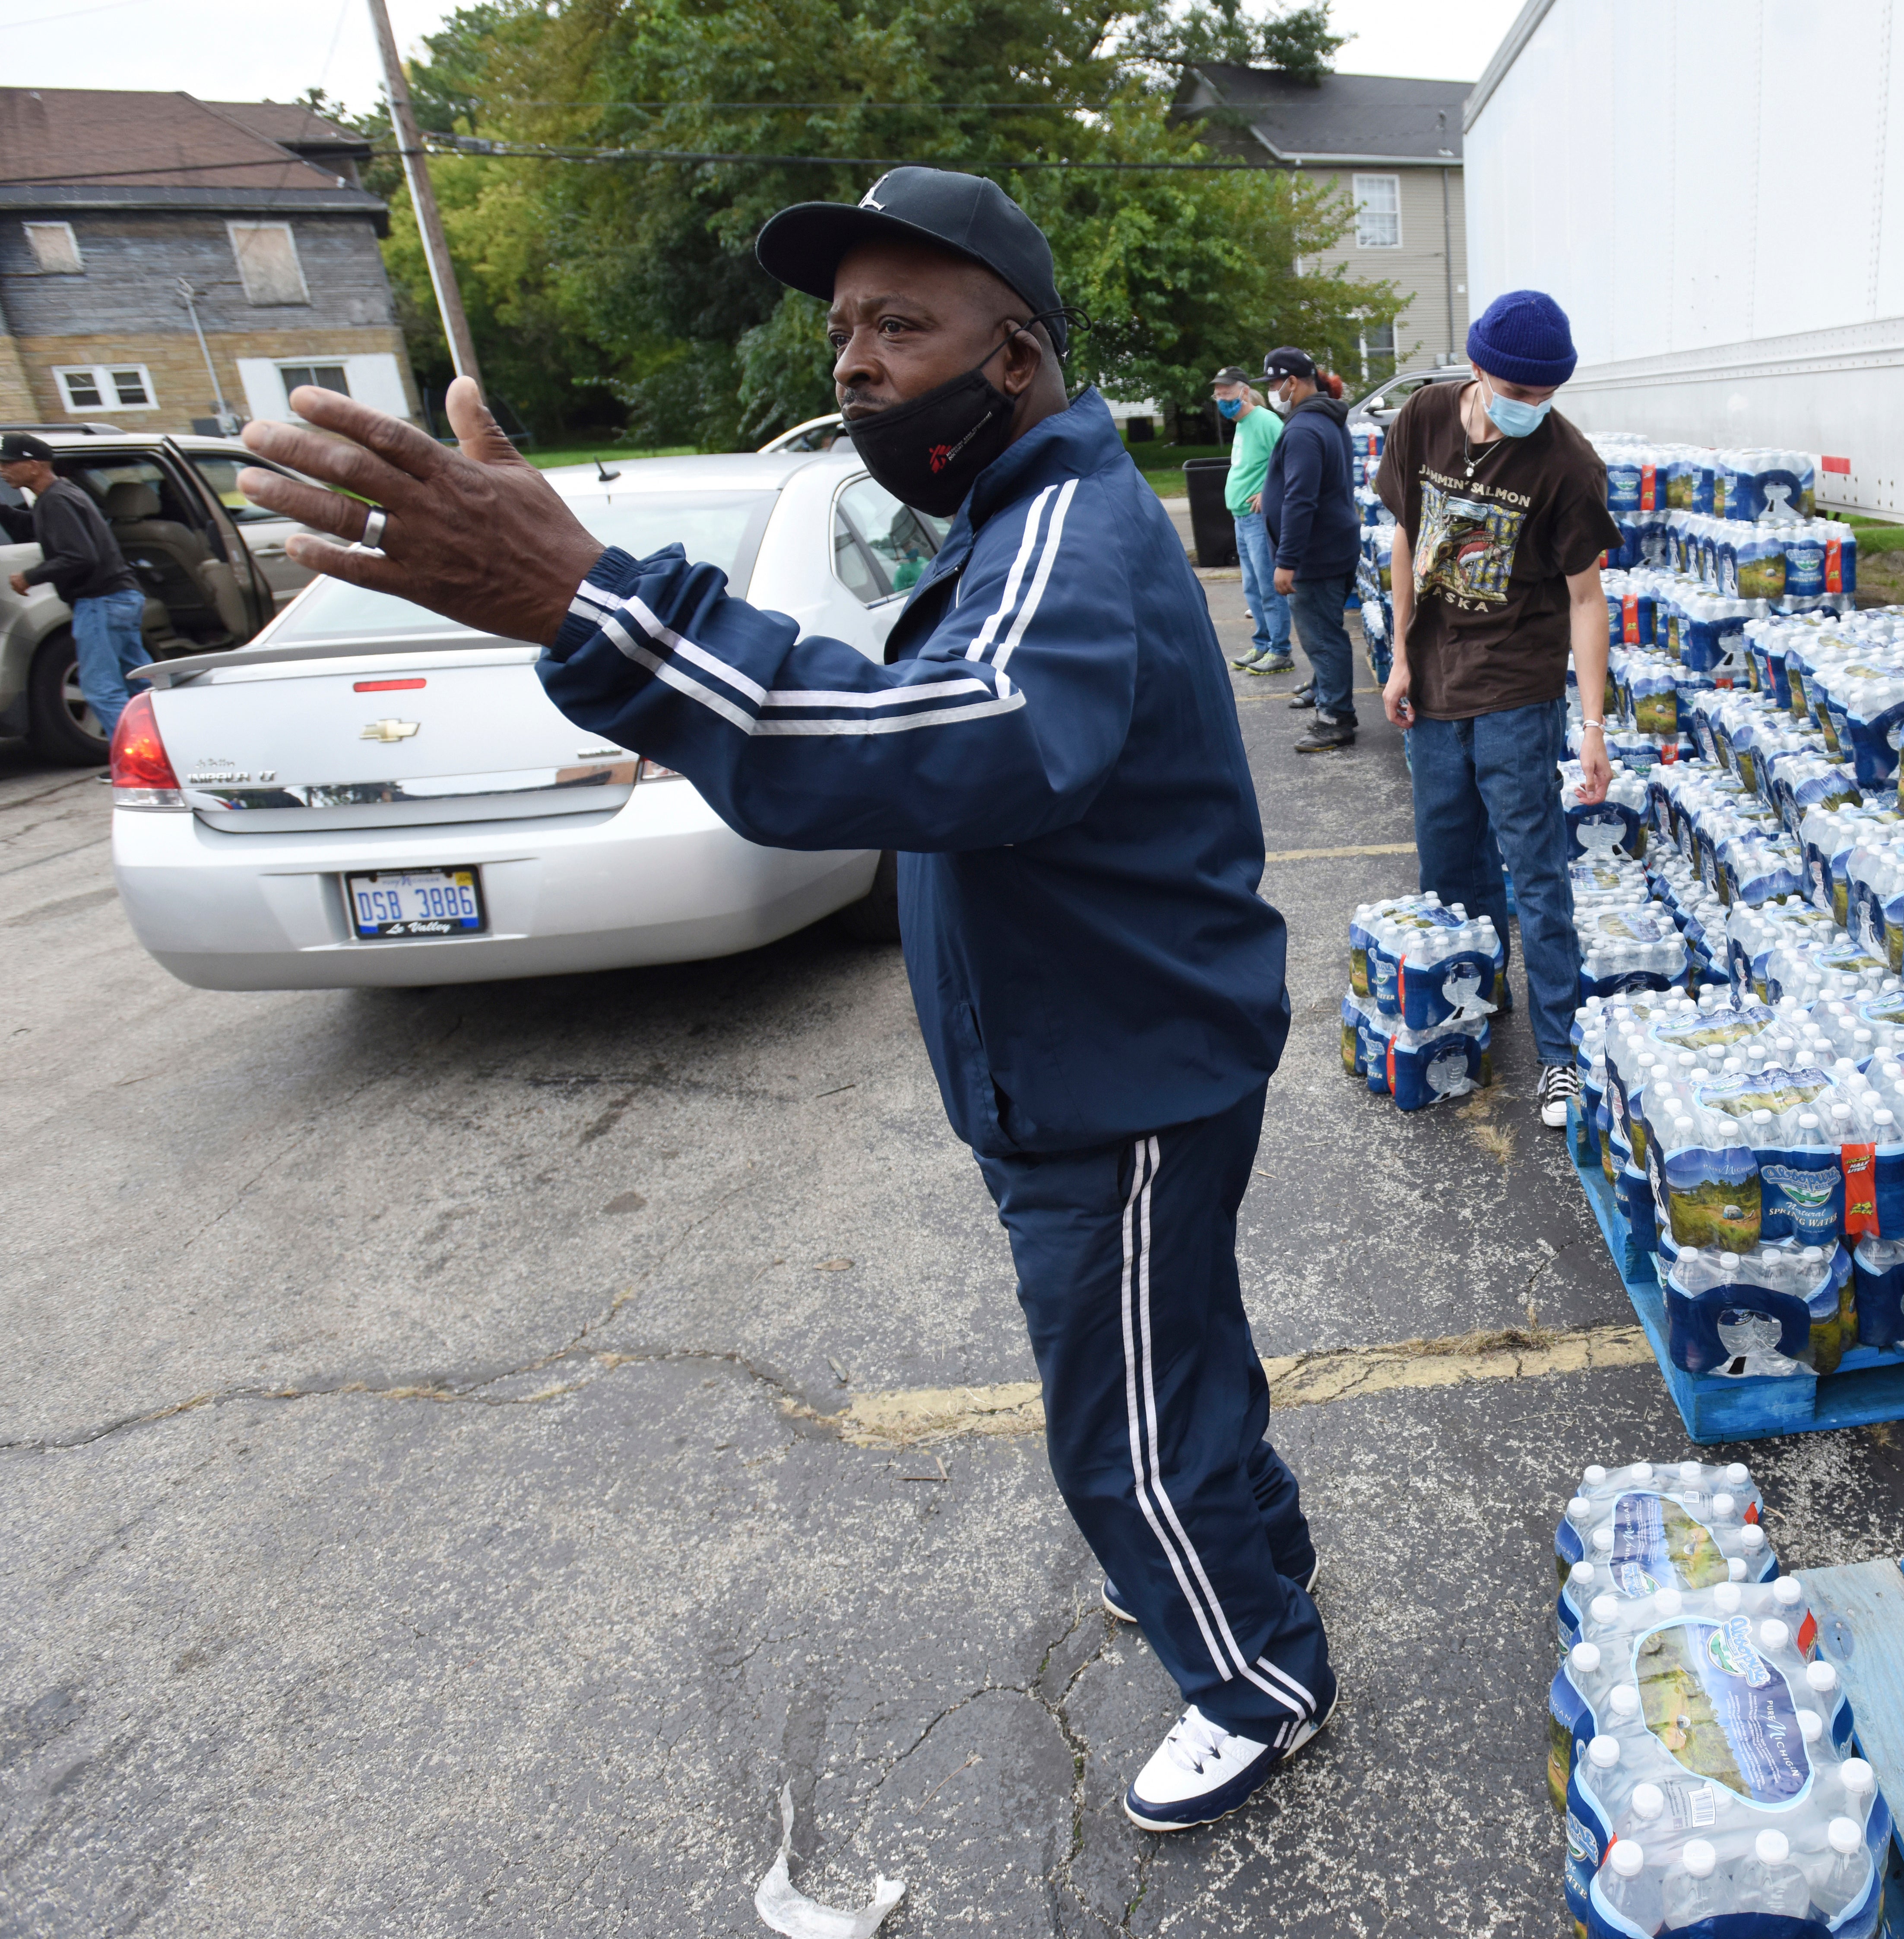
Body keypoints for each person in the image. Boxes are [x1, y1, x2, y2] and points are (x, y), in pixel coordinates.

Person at [233, 166, 1334, 1830]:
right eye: (840, 330)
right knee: (1172, 1369)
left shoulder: (1063, 525)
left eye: (903, 324)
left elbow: (957, 742)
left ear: (1015, 354)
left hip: (1116, 1078)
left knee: (1124, 1424)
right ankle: (1237, 1581)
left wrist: (596, 605)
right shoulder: (1018, 510)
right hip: (1106, 1057)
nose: (854, 363)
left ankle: (1253, 1675)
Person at [1375, 290, 1617, 1130]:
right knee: (1448, 864)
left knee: (1535, 868)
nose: (1529, 409)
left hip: (1518, 683)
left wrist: (1591, 725)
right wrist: (1401, 654)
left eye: (1544, 396)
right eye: (1516, 393)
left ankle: (1559, 1056)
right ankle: (1473, 1002)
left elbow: (1587, 599)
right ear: (1477, 369)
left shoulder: (1567, 465)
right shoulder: (1423, 419)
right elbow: (1407, 537)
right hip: (1436, 677)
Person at [2, 433, 146, 745]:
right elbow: (37, 529)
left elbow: (80, 556)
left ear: (35, 465)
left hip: (99, 602)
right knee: (142, 683)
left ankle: (138, 760)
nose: (3, 470)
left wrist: (30, 576)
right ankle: (167, 751)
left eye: (9, 463)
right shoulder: (60, 495)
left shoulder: (55, 500)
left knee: (101, 688)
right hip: (119, 597)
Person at [1258, 346, 1362, 753]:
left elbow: (1302, 499)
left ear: (1293, 382)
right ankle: (1325, 687)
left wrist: (1287, 560)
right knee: (1326, 629)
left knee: (1322, 636)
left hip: (1315, 555)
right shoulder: (1327, 419)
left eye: (1273, 383)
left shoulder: (1304, 429)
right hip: (1333, 545)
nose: (1271, 390)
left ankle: (1336, 718)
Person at [1210, 366, 1293, 678]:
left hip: (1258, 520)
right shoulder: (1243, 424)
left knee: (1268, 586)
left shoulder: (1264, 421)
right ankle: (1262, 643)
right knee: (1252, 587)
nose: (1221, 399)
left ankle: (1280, 651)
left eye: (1227, 393)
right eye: (1218, 394)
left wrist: (1268, 492)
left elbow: (1290, 460)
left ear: (1244, 391)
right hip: (1242, 519)